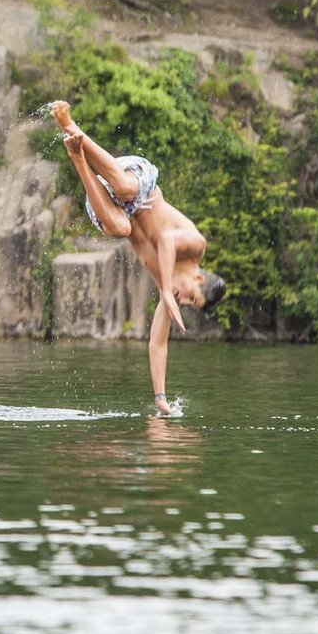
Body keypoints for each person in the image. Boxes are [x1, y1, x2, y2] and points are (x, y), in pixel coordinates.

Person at [47, 99, 225, 415]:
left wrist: (161, 399)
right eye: (191, 298)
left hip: (105, 203)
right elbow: (166, 238)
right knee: (127, 189)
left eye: (186, 304)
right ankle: (71, 127)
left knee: (119, 228)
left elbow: (157, 344)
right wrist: (169, 295)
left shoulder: (167, 287)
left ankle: (77, 158)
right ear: (198, 278)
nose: (182, 300)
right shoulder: (196, 246)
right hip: (137, 181)